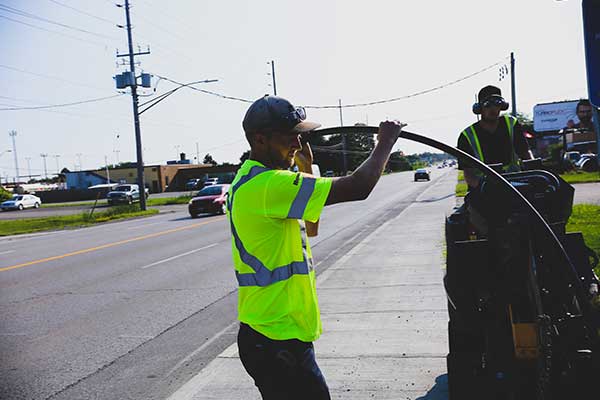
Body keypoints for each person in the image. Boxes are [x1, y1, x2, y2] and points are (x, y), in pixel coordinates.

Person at [229, 94, 405, 400]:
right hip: (276, 339)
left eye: (300, 137)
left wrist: (306, 165)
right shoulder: (269, 185)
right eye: (291, 138)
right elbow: (359, 186)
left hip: (275, 333)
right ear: (260, 139)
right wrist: (386, 142)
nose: (297, 145)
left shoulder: (256, 180)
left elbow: (311, 228)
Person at [457, 85, 532, 190]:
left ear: (502, 106)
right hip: (483, 190)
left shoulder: (512, 124)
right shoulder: (466, 136)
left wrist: (533, 173)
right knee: (472, 206)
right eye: (487, 104)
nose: (493, 109)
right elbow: (469, 174)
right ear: (479, 108)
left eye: (497, 103)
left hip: (515, 185)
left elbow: (525, 154)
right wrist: (483, 188)